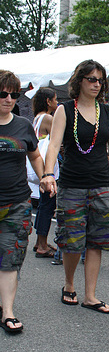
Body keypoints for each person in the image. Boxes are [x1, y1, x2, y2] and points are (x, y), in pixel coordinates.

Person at [40, 59, 109, 313]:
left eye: (100, 80)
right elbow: (53, 144)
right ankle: (69, 284)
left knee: (97, 240)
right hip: (72, 185)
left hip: (102, 185)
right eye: (91, 79)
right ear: (79, 80)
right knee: (72, 240)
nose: (96, 84)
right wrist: (49, 173)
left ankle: (90, 296)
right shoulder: (65, 111)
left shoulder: (107, 112)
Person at [0, 70, 45, 333]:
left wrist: (46, 176)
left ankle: (7, 312)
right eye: (3, 93)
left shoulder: (23, 125)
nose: (8, 99)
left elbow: (35, 156)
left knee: (11, 256)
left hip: (17, 202)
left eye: (14, 94)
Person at [31, 87, 59, 257]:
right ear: (48, 102)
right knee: (47, 206)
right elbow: (58, 139)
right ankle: (42, 245)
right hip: (47, 171)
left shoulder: (37, 118)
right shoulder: (48, 118)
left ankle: (39, 241)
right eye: (55, 100)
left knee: (43, 206)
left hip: (40, 169)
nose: (57, 103)